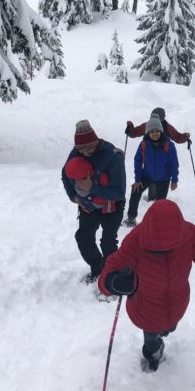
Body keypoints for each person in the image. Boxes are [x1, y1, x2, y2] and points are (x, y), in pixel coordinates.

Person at [99, 200, 195, 372]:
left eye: (170, 249)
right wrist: (112, 282)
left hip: (177, 303)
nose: (163, 254)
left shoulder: (190, 234)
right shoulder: (135, 240)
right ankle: (153, 352)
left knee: (169, 327)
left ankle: (165, 330)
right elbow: (110, 269)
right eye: (156, 251)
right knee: (151, 338)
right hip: (146, 309)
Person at [61, 120, 126, 282]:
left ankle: (112, 276)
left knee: (108, 243)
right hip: (88, 205)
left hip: (112, 206)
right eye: (81, 149)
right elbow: (65, 174)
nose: (85, 152)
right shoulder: (77, 152)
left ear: (96, 141)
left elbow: (119, 193)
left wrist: (92, 187)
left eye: (89, 147)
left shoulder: (113, 157)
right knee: (83, 238)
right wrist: (75, 197)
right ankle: (98, 270)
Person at [123, 116, 179, 227]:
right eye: (151, 131)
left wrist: (174, 180)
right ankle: (131, 218)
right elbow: (137, 161)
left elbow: (174, 163)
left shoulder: (169, 145)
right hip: (147, 175)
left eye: (157, 131)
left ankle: (158, 222)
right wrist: (138, 180)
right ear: (148, 133)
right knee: (135, 192)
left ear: (161, 131)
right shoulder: (144, 144)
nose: (154, 133)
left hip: (164, 178)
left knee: (161, 203)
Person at [125, 107, 190, 201]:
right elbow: (135, 133)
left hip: (162, 158)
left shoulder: (165, 126)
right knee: (152, 180)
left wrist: (184, 137)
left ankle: (154, 199)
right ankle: (152, 198)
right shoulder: (150, 125)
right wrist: (130, 129)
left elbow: (177, 137)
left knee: (157, 181)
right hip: (150, 156)